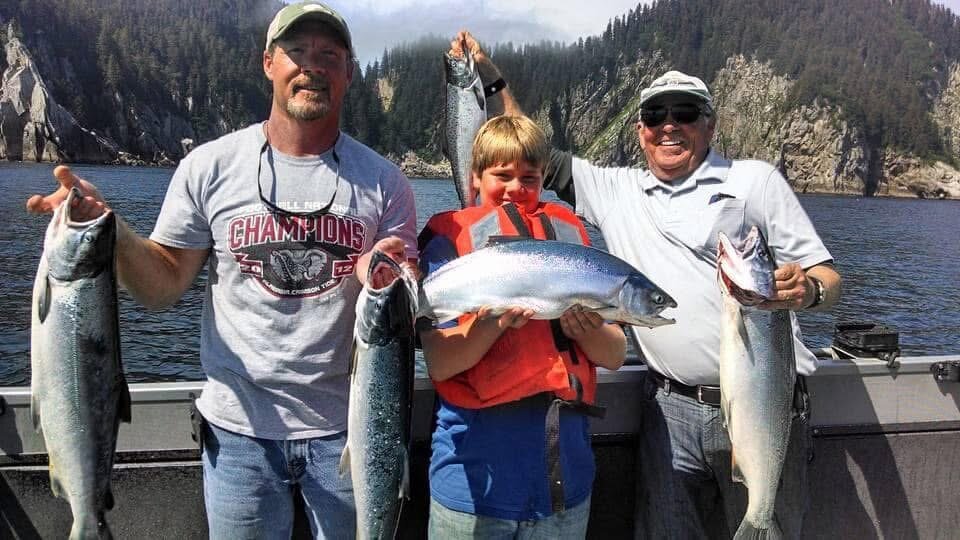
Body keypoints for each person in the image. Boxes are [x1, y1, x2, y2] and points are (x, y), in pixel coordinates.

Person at [26, 3, 417, 538]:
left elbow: (398, 300)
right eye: (297, 52)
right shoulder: (209, 166)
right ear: (268, 64)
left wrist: (384, 268)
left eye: (329, 55)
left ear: (349, 72)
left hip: (348, 430)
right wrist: (108, 230)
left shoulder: (386, 183)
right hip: (237, 437)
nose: (313, 66)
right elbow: (163, 283)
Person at [450, 31, 842, 539]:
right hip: (668, 410)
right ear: (640, 131)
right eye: (656, 116)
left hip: (765, 400)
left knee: (768, 525)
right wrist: (490, 75)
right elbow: (534, 154)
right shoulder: (617, 191)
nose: (670, 126)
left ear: (710, 125)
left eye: (685, 113)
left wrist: (807, 290)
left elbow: (829, 278)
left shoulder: (756, 181)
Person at [417, 114, 627, 539]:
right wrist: (493, 324)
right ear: (475, 176)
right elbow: (440, 362)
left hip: (563, 482)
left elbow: (616, 355)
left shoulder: (569, 241)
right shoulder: (450, 243)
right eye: (502, 175)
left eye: (529, 177)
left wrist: (584, 328)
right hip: (473, 484)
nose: (516, 188)